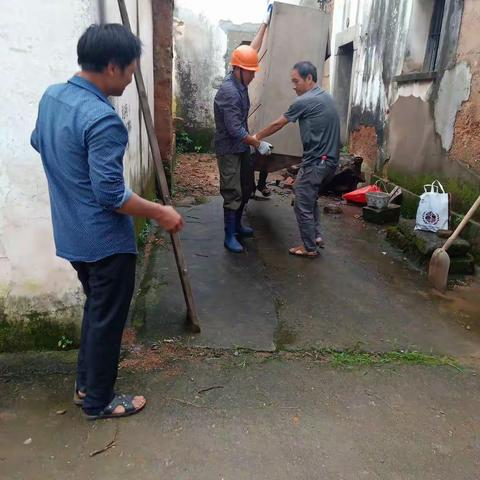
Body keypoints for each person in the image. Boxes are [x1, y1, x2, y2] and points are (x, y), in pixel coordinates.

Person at [31, 24, 184, 420]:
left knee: (97, 312)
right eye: (132, 71)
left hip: (71, 234)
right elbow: (112, 196)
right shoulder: (102, 120)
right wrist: (160, 212)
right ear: (113, 67)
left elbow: (39, 141)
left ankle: (87, 386)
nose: (132, 79)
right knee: (107, 319)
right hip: (104, 243)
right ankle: (99, 401)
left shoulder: (53, 98)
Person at [254, 61, 340, 257]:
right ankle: (316, 236)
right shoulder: (326, 97)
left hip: (316, 162)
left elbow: (278, 124)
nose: (294, 86)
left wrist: (256, 138)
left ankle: (309, 247)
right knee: (310, 198)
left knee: (301, 200)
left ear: (309, 78)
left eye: (296, 81)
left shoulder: (304, 101)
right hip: (330, 162)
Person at [214, 8, 273, 253]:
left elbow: (253, 53)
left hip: (241, 147)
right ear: (237, 69)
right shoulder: (228, 91)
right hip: (230, 148)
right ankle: (229, 235)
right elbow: (235, 129)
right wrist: (257, 142)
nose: (252, 75)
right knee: (233, 190)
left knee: (247, 186)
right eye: (250, 72)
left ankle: (238, 225)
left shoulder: (241, 75)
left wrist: (265, 24)